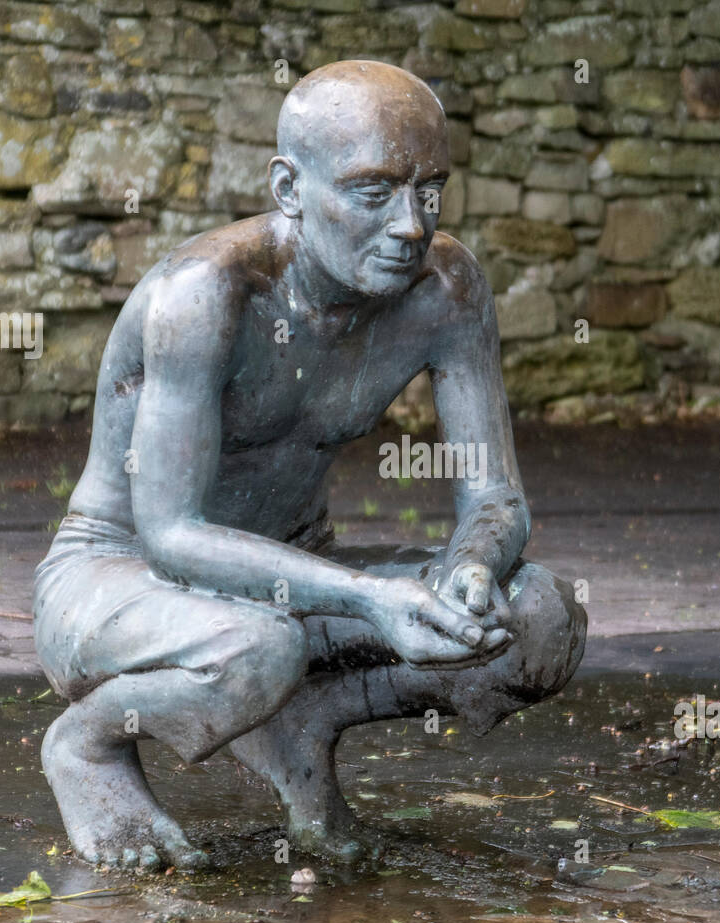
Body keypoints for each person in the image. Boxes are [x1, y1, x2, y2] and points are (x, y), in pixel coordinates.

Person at [33, 60, 587, 870]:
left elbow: (496, 494)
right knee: (262, 648)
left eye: (429, 189)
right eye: (373, 191)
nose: (410, 224)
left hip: (293, 578)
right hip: (120, 580)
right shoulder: (206, 296)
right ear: (289, 188)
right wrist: (371, 598)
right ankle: (88, 747)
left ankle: (299, 722)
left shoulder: (446, 288)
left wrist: (471, 565)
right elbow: (171, 535)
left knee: (538, 616)